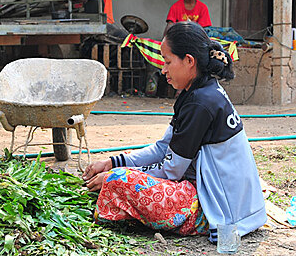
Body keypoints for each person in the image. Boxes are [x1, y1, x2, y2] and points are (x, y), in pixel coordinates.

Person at [82, 22, 266, 242]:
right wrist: (113, 162)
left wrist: (113, 175)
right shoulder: (197, 93)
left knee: (119, 181)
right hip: (215, 194)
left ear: (189, 61)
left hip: (214, 209)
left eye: (168, 62)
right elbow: (163, 147)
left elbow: (170, 172)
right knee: (121, 171)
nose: (163, 69)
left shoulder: (201, 103)